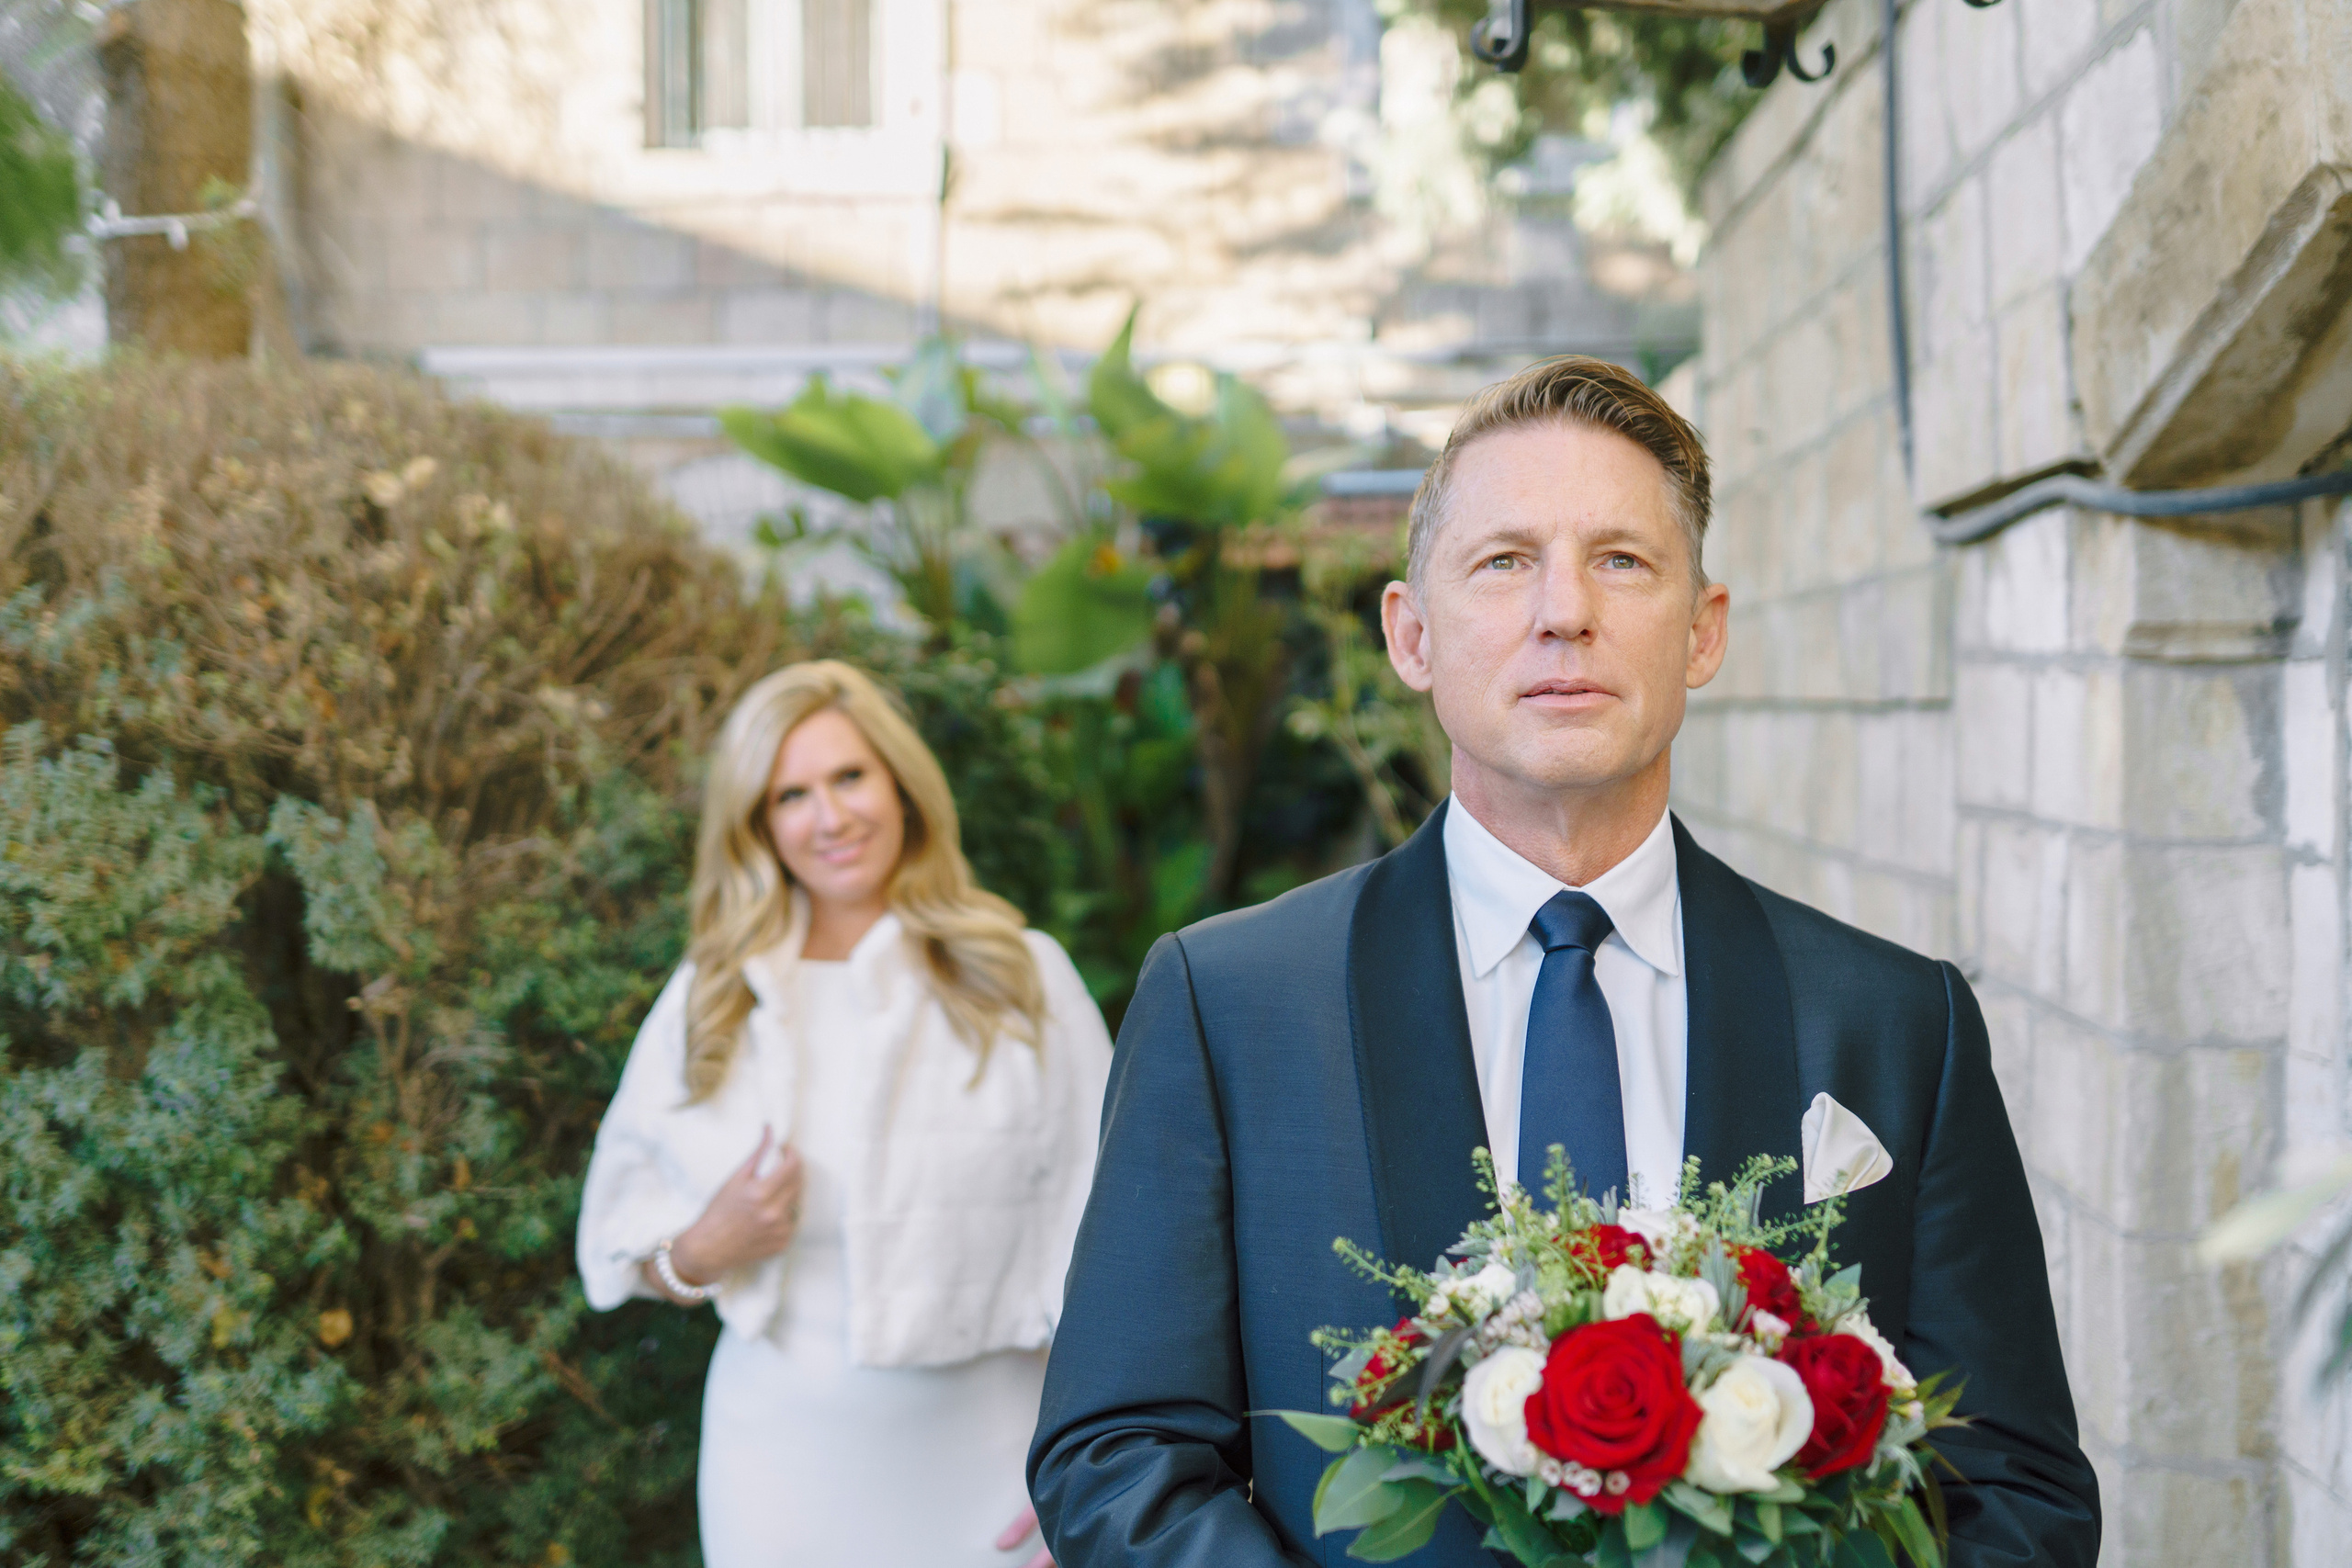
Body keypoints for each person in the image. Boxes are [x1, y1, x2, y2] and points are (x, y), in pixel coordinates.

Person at [1029, 358, 2100, 1565]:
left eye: (1622, 560)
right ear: (1412, 633)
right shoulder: (1228, 1006)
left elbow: (2017, 1480)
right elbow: (1116, 1447)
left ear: (1702, 633)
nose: (1566, 611)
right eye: (1505, 560)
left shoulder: (1895, 1021)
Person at [580, 660, 1109, 1568]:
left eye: (850, 777)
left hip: (998, 1466)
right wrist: (706, 1246)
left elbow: (1118, 1255)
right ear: (758, 825)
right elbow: (619, 1237)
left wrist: (1096, 1480)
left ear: (900, 786)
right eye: (791, 794)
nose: (830, 817)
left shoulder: (1023, 979)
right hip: (781, 1473)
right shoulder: (709, 999)